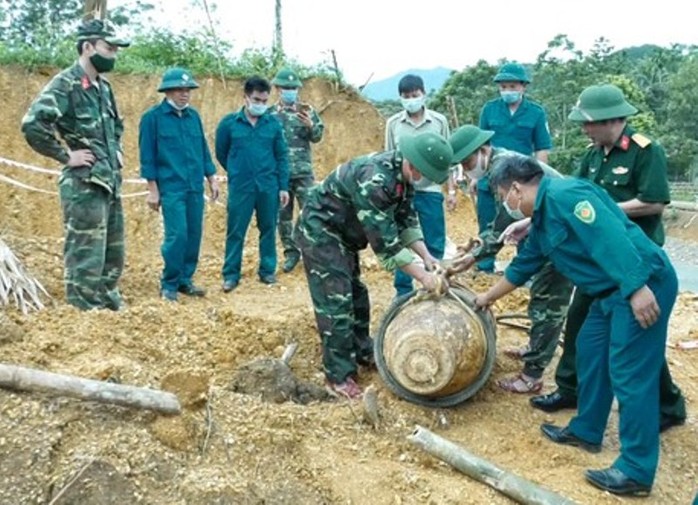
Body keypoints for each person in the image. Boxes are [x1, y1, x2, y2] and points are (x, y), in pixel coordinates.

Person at [475, 155, 678, 497]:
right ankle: (587, 429)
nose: (504, 205)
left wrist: (636, 288)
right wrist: (484, 299)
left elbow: (610, 235)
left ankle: (636, 470)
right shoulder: (541, 221)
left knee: (630, 375)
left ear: (515, 188)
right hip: (609, 293)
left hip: (641, 285)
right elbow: (521, 268)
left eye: (501, 196)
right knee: (589, 351)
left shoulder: (566, 196)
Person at [529, 84, 687, 433]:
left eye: (589, 123)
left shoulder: (645, 151)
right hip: (599, 260)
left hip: (635, 258)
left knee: (638, 332)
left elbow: (655, 201)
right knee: (580, 320)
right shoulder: (592, 154)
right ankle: (571, 389)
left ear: (611, 120)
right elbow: (576, 195)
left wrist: (602, 213)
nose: (585, 130)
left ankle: (668, 404)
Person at [296, 132, 453, 399]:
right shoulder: (375, 180)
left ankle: (362, 351)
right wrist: (423, 278)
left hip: (345, 235)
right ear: (413, 165)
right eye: (422, 174)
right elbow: (387, 246)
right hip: (321, 232)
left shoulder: (403, 175)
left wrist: (427, 257)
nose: (422, 179)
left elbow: (406, 220)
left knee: (357, 296)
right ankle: (338, 376)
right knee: (336, 302)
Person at [448, 125, 572, 393]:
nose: (466, 168)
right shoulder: (499, 165)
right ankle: (535, 347)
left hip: (559, 235)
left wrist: (474, 258)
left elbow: (504, 223)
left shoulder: (503, 169)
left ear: (483, 151)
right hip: (542, 230)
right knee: (539, 293)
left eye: (467, 161)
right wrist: (477, 249)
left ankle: (533, 375)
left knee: (548, 303)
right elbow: (504, 227)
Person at [21, 19, 130, 311]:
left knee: (112, 252)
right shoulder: (66, 83)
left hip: (109, 181)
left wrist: (116, 149)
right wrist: (66, 156)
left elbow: (115, 126)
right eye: (109, 48)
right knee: (86, 252)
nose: (113, 55)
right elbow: (33, 124)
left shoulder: (103, 88)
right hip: (83, 184)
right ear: (88, 46)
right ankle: (82, 312)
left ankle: (108, 303)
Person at [138, 67, 220, 302]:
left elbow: (202, 150)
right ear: (167, 91)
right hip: (171, 188)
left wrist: (211, 178)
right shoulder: (152, 119)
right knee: (178, 235)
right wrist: (152, 189)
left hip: (194, 186)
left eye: (188, 90)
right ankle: (169, 282)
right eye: (179, 90)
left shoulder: (194, 117)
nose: (184, 94)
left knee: (194, 234)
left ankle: (185, 279)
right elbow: (147, 156)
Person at [475, 62, 552, 272]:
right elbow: (480, 145)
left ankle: (524, 269)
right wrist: (476, 177)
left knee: (525, 225)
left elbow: (542, 149)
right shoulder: (489, 110)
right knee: (487, 222)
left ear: (523, 87)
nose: (507, 91)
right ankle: (484, 267)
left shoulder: (535, 113)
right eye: (504, 87)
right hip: (490, 177)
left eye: (512, 86)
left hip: (522, 180)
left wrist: (539, 182)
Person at [215, 76, 289, 292]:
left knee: (268, 228)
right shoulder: (229, 124)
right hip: (241, 187)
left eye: (265, 101)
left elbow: (282, 156)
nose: (261, 105)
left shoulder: (273, 124)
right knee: (236, 231)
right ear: (245, 97)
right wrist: (238, 170)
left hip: (268, 186)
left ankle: (267, 271)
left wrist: (283, 186)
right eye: (257, 100)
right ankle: (231, 275)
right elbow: (222, 152)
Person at [385, 74, 456, 297]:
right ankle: (403, 291)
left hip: (431, 190)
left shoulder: (439, 122)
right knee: (403, 240)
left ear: (423, 94)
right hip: (403, 191)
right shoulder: (393, 124)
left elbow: (449, 158)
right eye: (406, 96)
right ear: (401, 98)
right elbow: (388, 157)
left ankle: (435, 285)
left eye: (415, 95)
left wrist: (451, 190)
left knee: (434, 241)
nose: (411, 100)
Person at [270, 67, 324, 274]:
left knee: (311, 214)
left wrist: (311, 125)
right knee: (283, 218)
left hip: (304, 173)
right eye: (286, 87)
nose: (290, 91)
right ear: (277, 89)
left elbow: (318, 137)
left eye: (293, 87)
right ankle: (291, 253)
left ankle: (314, 254)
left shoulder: (307, 111)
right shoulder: (270, 115)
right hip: (280, 176)